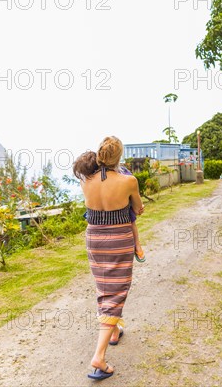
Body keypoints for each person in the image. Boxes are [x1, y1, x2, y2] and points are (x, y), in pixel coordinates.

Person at [72, 136, 144, 381]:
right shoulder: (128, 180)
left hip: (94, 238)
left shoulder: (86, 181)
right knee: (117, 291)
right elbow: (139, 208)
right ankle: (99, 356)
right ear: (119, 157)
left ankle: (114, 332)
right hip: (118, 239)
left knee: (104, 287)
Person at [73, 151, 145, 262]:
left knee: (131, 217)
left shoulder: (120, 173)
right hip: (110, 215)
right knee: (132, 220)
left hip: (110, 214)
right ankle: (138, 246)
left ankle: (138, 245)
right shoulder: (93, 180)